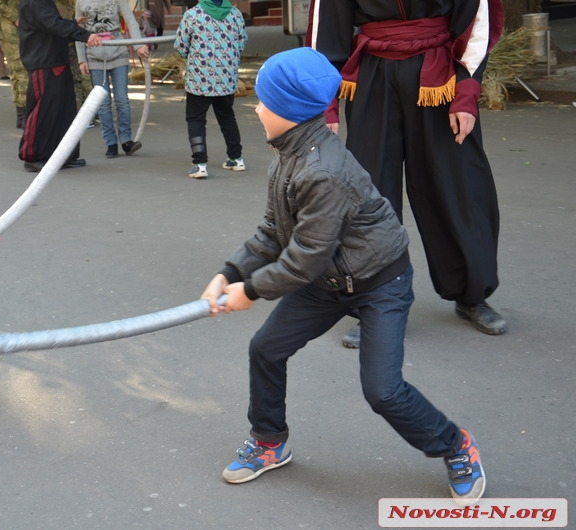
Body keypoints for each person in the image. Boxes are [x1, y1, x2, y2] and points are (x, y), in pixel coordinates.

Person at [200, 48, 485, 506]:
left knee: (383, 391)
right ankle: (270, 441)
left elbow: (307, 257)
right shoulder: (286, 157)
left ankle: (455, 445)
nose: (255, 108)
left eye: (263, 100)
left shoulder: (323, 170)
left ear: (289, 111)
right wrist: (229, 271)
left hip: (380, 285)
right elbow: (273, 232)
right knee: (266, 349)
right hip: (329, 283)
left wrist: (249, 292)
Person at [305, 1, 507, 348]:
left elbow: (476, 20)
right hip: (371, 78)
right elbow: (326, 29)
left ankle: (471, 294)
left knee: (459, 188)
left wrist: (466, 93)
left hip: (440, 75)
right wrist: (325, 103)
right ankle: (376, 303)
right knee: (368, 198)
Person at [17, 0, 102, 172]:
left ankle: (63, 155)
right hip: (43, 62)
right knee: (42, 112)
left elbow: (52, 23)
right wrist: (84, 35)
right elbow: (52, 23)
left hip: (56, 60)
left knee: (64, 111)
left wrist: (72, 24)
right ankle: (33, 156)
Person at [174, 0, 246, 179]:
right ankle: (236, 158)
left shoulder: (192, 15)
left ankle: (200, 163)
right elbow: (242, 42)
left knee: (196, 119)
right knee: (227, 117)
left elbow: (180, 46)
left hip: (200, 78)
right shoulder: (235, 14)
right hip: (226, 78)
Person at [75, 0, 148, 158]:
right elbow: (78, 30)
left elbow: (130, 20)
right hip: (94, 56)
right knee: (103, 102)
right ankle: (110, 143)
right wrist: (82, 59)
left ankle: (126, 141)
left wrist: (138, 45)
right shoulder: (81, 2)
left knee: (121, 98)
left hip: (118, 53)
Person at [0, 0, 28, 127]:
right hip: (9, 29)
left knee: (17, 72)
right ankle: (26, 116)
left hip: (15, 28)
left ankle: (22, 116)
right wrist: (14, 16)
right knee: (22, 71)